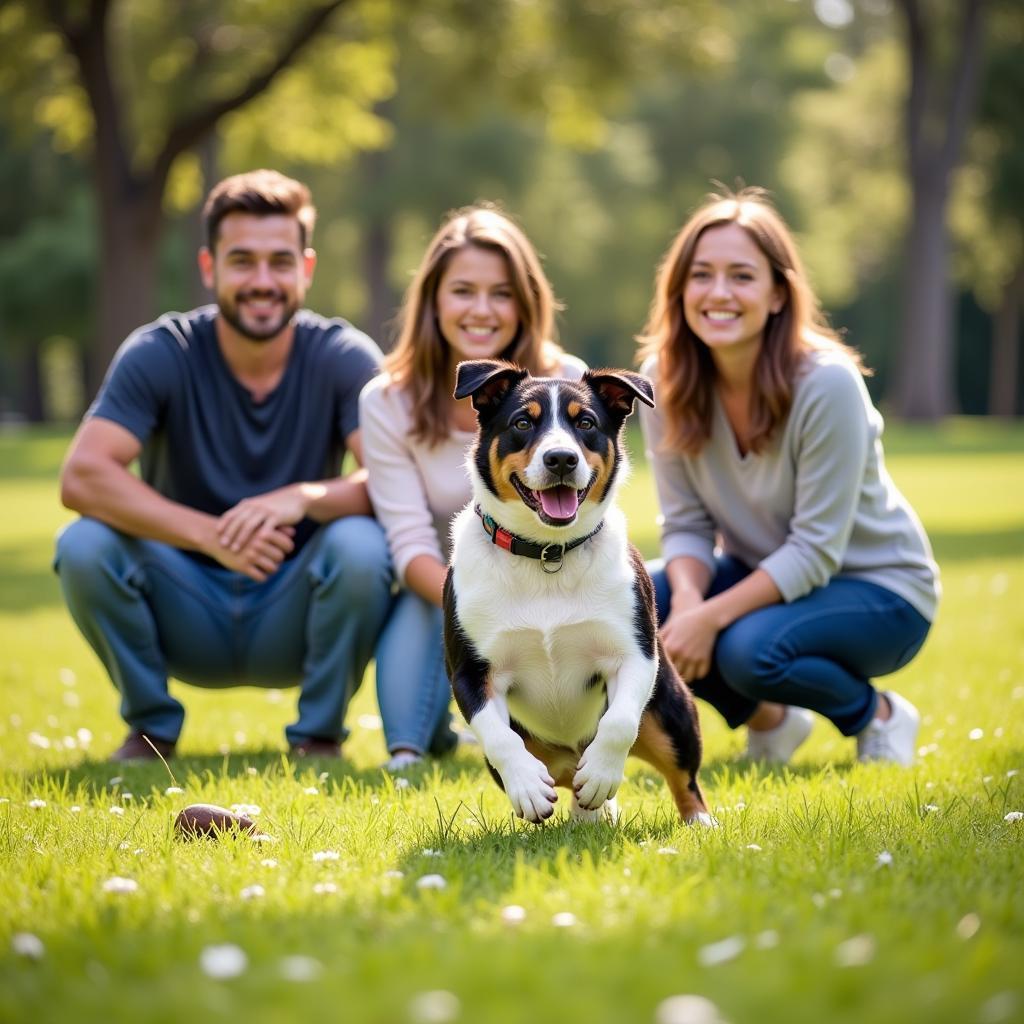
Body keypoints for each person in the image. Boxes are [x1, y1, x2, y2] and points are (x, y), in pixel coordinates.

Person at [55, 169, 392, 762]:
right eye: (242, 261)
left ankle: (318, 736)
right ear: (210, 267)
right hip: (186, 604)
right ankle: (151, 729)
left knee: (364, 546)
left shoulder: (344, 356)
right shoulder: (162, 351)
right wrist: (211, 536)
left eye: (280, 262)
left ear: (305, 269)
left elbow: (392, 482)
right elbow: (83, 475)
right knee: (82, 546)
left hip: (296, 609)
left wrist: (303, 498)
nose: (262, 281)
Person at [636, 187, 939, 766]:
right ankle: (774, 724)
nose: (718, 293)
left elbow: (817, 550)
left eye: (742, 276)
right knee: (641, 603)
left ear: (778, 294)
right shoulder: (663, 380)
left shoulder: (828, 382)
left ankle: (879, 716)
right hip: (764, 574)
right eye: (701, 275)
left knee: (747, 651)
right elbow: (685, 522)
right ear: (679, 290)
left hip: (881, 589)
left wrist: (709, 618)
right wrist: (691, 602)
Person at [360, 204, 587, 772]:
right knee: (406, 748)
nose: (482, 310)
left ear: (526, 302)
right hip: (439, 589)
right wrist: (482, 605)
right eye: (463, 290)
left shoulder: (569, 379)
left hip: (551, 580)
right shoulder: (387, 400)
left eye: (502, 293)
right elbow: (409, 541)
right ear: (433, 299)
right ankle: (421, 741)